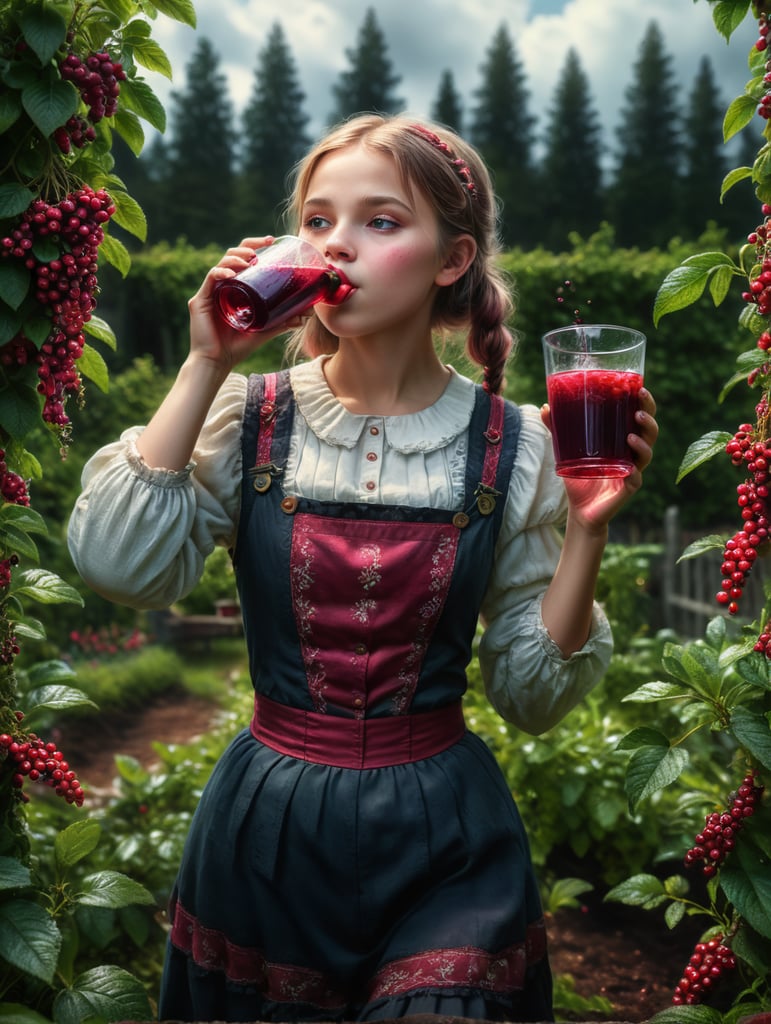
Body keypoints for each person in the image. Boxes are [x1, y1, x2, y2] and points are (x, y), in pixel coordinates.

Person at [67, 113, 658, 1023]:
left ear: (452, 259)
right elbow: (116, 565)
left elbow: (533, 700)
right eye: (315, 219)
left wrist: (586, 532)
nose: (335, 243)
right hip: (266, 833)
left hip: (446, 837)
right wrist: (203, 364)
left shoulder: (522, 445)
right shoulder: (247, 417)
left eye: (380, 221)